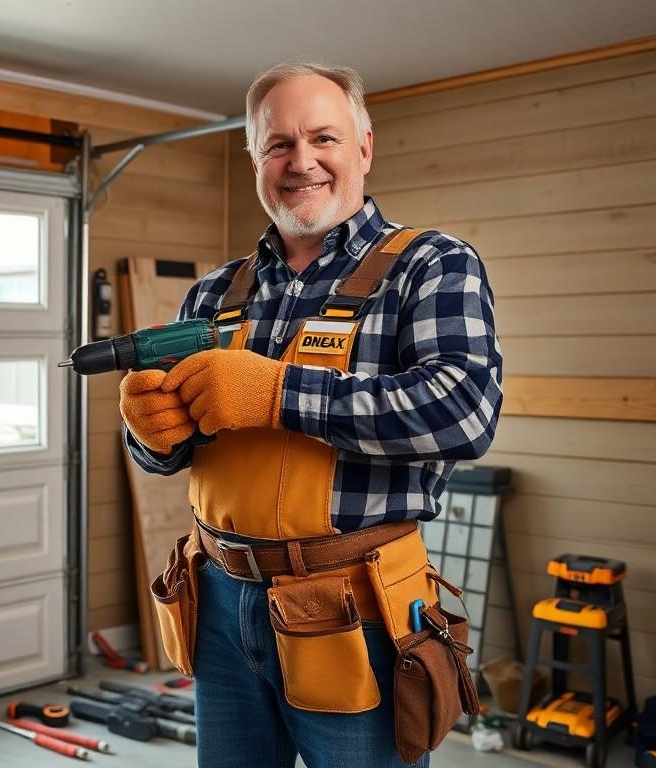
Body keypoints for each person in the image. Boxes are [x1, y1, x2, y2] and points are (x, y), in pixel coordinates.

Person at [123, 61, 502, 767]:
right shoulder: (212, 293)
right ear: (255, 160)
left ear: (363, 147)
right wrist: (150, 434)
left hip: (356, 608)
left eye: (323, 138)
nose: (301, 162)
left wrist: (275, 395)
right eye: (278, 145)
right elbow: (170, 452)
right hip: (217, 598)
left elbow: (463, 409)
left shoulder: (431, 266)